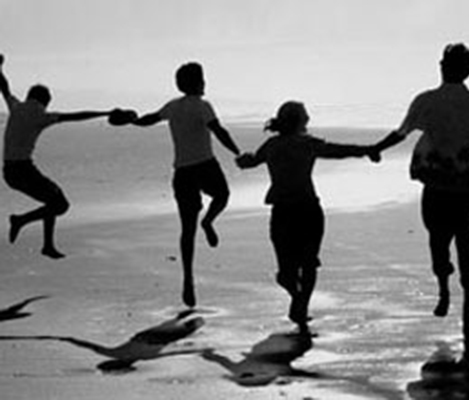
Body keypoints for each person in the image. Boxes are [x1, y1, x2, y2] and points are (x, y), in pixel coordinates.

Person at [373, 43, 469, 350]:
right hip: (467, 182)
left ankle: (443, 290)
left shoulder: (426, 100)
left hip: (436, 184)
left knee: (438, 242)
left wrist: (375, 148)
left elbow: (401, 133)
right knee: (466, 241)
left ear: (443, 66)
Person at [236, 101, 380, 333]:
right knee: (299, 268)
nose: (309, 119)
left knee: (296, 268)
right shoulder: (302, 144)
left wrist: (243, 160)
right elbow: (339, 151)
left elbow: (251, 161)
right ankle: (299, 300)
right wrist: (368, 150)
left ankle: (300, 303)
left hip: (291, 210)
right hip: (303, 210)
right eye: (306, 116)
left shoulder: (275, 145)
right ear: (299, 121)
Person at [130, 62, 241, 308]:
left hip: (183, 172)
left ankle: (188, 278)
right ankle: (208, 221)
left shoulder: (173, 106)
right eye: (202, 79)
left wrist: (133, 120)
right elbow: (218, 131)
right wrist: (237, 152)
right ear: (198, 83)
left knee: (187, 230)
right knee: (222, 195)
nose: (204, 83)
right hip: (205, 166)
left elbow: (150, 119)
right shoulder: (202, 105)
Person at [0, 54, 115, 259]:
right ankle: (20, 220)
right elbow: (75, 116)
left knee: (52, 198)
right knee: (60, 205)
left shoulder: (16, 107)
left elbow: (4, 88)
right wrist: (105, 113)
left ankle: (48, 246)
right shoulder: (40, 115)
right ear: (44, 102)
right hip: (22, 170)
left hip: (10, 172)